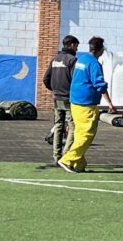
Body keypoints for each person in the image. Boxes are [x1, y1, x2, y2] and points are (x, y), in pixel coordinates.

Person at [58, 36, 116, 173]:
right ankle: (68, 159)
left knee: (79, 132)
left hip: (75, 101)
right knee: (87, 134)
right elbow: (99, 85)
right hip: (86, 103)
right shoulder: (94, 64)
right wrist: (110, 103)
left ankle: (79, 164)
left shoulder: (82, 59)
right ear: (101, 50)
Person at [43, 35, 79, 165]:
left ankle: (56, 156)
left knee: (58, 126)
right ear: (71, 45)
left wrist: (55, 90)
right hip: (69, 98)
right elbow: (76, 80)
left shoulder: (55, 59)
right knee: (72, 126)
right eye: (76, 46)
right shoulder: (72, 60)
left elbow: (46, 79)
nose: (77, 49)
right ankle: (66, 155)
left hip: (57, 97)